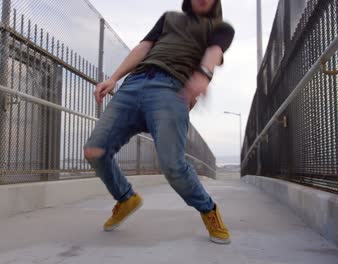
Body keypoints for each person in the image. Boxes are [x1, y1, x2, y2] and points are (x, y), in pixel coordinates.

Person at [84, 0, 235, 244]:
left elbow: (213, 52)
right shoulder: (169, 18)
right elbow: (143, 47)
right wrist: (113, 78)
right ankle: (125, 198)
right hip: (134, 84)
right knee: (94, 150)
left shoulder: (220, 28)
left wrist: (202, 75)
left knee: (172, 165)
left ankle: (209, 210)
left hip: (172, 89)